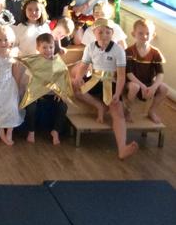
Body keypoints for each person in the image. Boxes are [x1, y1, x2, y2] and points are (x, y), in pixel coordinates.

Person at [72, 18, 138, 159]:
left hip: (110, 81)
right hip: (94, 79)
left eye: (108, 32)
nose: (104, 35)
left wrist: (117, 93)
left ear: (112, 33)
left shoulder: (118, 50)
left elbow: (121, 76)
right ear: (94, 33)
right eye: (100, 32)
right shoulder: (90, 47)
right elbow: (84, 65)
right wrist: (78, 77)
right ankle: (99, 106)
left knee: (117, 112)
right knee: (75, 88)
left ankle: (122, 148)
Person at [18, 33, 69, 145]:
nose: (48, 50)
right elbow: (27, 81)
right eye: (44, 47)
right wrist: (32, 93)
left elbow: (61, 80)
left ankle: (55, 131)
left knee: (63, 106)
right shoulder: (34, 63)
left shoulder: (57, 62)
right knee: (31, 107)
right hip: (36, 94)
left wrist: (60, 92)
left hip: (51, 94)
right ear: (38, 48)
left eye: (51, 47)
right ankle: (31, 131)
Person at [125, 19, 169, 124]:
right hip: (132, 82)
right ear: (133, 34)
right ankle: (127, 111)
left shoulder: (155, 52)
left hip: (148, 82)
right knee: (135, 87)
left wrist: (154, 87)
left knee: (164, 88)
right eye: (140, 33)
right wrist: (142, 86)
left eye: (147, 33)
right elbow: (129, 74)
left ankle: (152, 111)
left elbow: (160, 73)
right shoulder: (129, 51)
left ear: (153, 35)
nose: (144, 36)